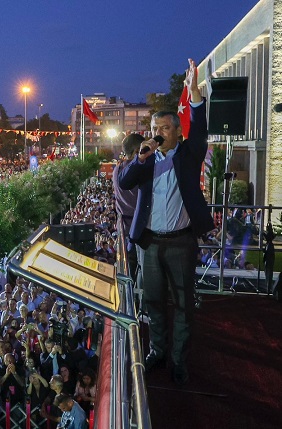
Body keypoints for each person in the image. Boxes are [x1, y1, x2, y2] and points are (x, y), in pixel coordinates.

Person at [119, 58, 214, 385]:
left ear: (176, 131)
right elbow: (125, 183)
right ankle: (157, 351)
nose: (157, 134)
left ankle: (178, 360)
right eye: (154, 129)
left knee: (184, 305)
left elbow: (200, 128)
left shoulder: (189, 155)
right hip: (150, 242)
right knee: (154, 302)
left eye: (163, 129)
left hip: (181, 241)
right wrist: (138, 158)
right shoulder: (145, 160)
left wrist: (194, 91)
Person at [113, 133, 144, 280]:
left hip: (123, 228)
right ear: (138, 150)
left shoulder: (117, 168)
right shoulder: (137, 170)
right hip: (138, 228)